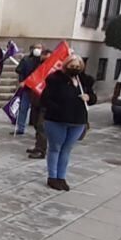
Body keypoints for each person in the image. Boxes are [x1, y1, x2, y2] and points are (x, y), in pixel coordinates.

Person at [41, 55, 96, 191]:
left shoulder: (84, 81)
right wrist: (59, 109)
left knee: (67, 149)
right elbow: (45, 99)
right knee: (55, 148)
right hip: (57, 120)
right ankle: (52, 177)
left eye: (77, 67)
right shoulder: (55, 80)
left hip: (77, 121)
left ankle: (62, 177)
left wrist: (89, 97)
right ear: (66, 66)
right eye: (72, 66)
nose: (75, 69)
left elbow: (93, 98)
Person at [13, 44, 44, 135]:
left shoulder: (43, 62)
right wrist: (22, 81)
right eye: (36, 48)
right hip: (27, 87)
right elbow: (19, 70)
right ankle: (21, 128)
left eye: (39, 48)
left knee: (37, 110)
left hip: (38, 90)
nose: (37, 50)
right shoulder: (26, 59)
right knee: (23, 108)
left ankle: (38, 130)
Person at [27, 49, 52, 159]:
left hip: (45, 103)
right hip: (36, 100)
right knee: (36, 124)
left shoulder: (52, 71)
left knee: (41, 126)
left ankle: (41, 150)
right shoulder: (39, 66)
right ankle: (38, 145)